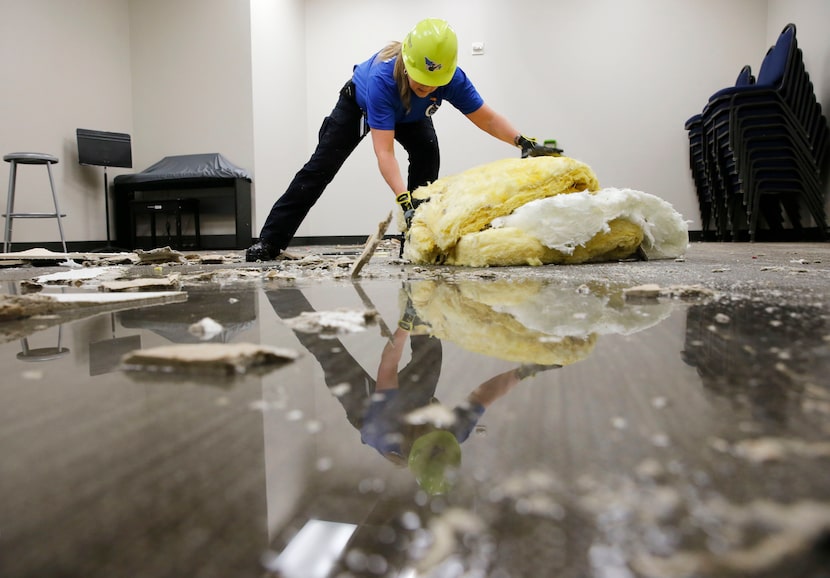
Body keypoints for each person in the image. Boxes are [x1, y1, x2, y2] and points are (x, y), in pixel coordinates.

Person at [246, 17, 559, 262]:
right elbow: (384, 151)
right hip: (359, 103)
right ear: (408, 63)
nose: (427, 88)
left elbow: (487, 118)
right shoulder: (382, 80)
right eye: (421, 82)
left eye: (433, 85)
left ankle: (415, 241)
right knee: (321, 167)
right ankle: (270, 241)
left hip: (410, 115)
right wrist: (401, 197)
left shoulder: (452, 79)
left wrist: (522, 142)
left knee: (428, 155)